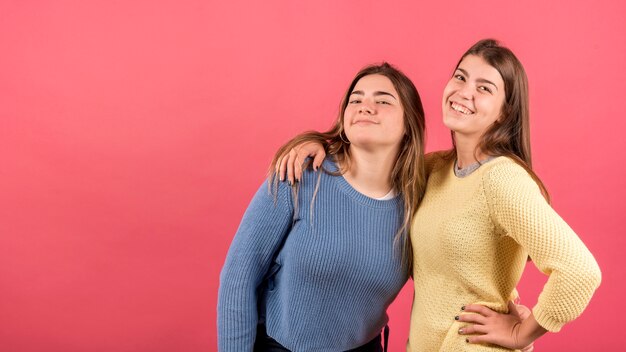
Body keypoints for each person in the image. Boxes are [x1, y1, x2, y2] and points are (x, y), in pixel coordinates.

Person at [276, 39, 601, 351]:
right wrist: (320, 144)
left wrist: (522, 332)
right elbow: (369, 164)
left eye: (484, 88)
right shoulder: (433, 169)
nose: (464, 92)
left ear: (504, 112)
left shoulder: (502, 178)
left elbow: (580, 272)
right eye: (460, 77)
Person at [217, 62, 427, 351]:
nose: (366, 107)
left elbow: (448, 279)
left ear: (409, 125)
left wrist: (508, 320)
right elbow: (238, 277)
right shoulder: (300, 174)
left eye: (383, 100)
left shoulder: (418, 202)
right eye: (356, 99)